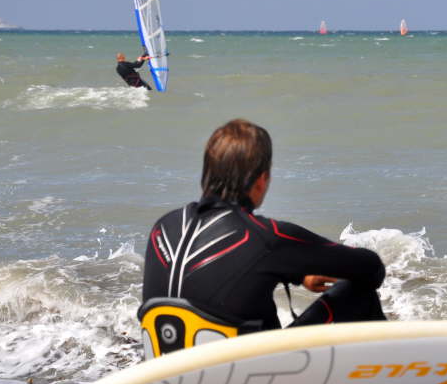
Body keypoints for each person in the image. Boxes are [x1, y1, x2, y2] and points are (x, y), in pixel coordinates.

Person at [142, 119, 386, 331]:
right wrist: (301, 266)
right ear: (261, 180)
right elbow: (371, 268)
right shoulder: (266, 237)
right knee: (358, 294)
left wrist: (300, 273)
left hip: (168, 375)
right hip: (248, 377)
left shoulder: (162, 228)